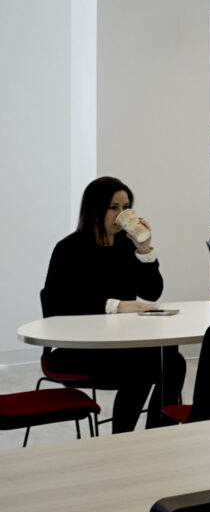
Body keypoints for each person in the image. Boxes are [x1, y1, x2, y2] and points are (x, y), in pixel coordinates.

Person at [42, 176, 187, 434]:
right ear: (95, 209)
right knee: (144, 365)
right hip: (79, 348)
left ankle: (159, 432)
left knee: (172, 360)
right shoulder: (69, 249)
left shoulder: (124, 246)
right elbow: (58, 306)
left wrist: (144, 250)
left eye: (126, 207)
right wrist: (115, 306)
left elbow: (152, 292)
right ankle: (123, 438)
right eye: (114, 207)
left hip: (123, 343)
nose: (122, 214)